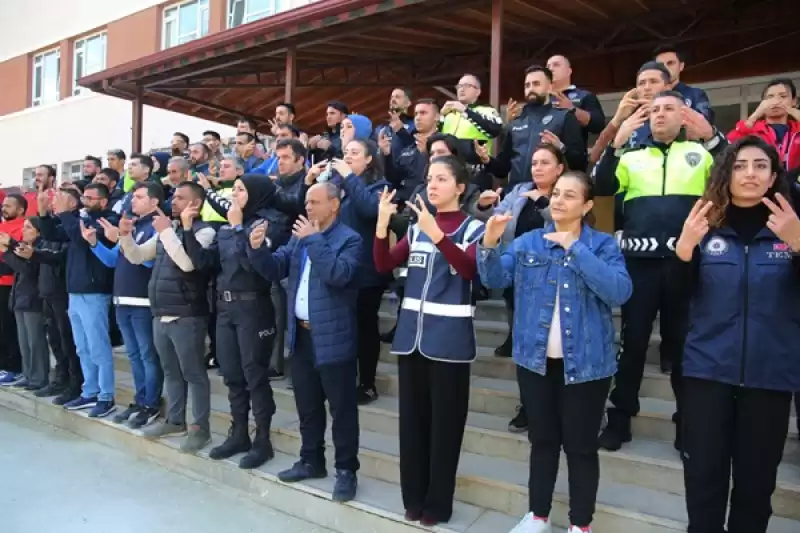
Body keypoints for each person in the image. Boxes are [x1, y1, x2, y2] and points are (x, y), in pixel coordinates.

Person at [479, 172, 632, 533]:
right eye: (557, 194)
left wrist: (574, 248)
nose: (559, 201)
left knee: (580, 446)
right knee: (542, 441)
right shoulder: (529, 242)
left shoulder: (602, 245)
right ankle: (538, 516)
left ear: (587, 205)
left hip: (588, 366)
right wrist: (489, 245)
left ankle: (581, 524)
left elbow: (619, 292)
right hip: (535, 362)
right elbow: (494, 280)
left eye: (570, 195)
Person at [675, 136, 800, 533]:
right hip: (706, 375)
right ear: (725, 174)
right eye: (740, 165)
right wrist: (684, 250)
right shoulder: (703, 226)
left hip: (769, 377)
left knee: (756, 486)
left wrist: (798, 241)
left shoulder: (791, 230)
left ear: (774, 176)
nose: (750, 173)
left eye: (760, 166)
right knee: (703, 479)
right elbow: (674, 303)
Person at [593, 90, 724, 452]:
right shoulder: (631, 157)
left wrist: (712, 137)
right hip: (639, 267)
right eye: (654, 110)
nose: (660, 115)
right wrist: (614, 147)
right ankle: (619, 420)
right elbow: (601, 189)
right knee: (632, 345)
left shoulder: (700, 153)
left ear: (685, 116)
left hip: (688, 265)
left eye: (670, 109)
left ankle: (687, 427)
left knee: (684, 348)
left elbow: (733, 176)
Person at [374, 156, 485, 527]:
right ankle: (414, 497)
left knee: (446, 428)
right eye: (429, 179)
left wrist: (438, 235)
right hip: (411, 341)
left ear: (460, 188)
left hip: (450, 343)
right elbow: (384, 264)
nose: (432, 185)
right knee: (413, 426)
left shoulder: (472, 228)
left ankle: (439, 503)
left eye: (441, 179)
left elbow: (471, 270)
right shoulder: (419, 228)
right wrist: (381, 225)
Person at [247, 182, 362, 503]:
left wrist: (313, 239)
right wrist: (257, 249)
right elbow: (274, 268)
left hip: (333, 338)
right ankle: (311, 460)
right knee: (308, 406)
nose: (308, 207)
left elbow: (338, 275)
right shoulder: (300, 239)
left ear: (334, 205)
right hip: (301, 336)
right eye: (306, 202)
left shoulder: (349, 239)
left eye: (315, 202)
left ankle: (346, 470)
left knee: (341, 411)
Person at [184, 175, 279, 470]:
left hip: (253, 307)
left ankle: (262, 438)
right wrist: (187, 230)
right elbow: (204, 262)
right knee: (232, 374)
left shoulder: (267, 223)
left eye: (240, 190)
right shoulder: (225, 227)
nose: (234, 195)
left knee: (254, 374)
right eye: (233, 189)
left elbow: (255, 264)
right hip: (225, 309)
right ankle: (239, 432)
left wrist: (239, 228)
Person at [478, 144, 567, 433]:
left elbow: (565, 225)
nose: (537, 168)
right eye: (534, 162)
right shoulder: (519, 190)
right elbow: (496, 216)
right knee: (524, 341)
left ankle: (559, 404)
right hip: (519, 263)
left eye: (545, 162)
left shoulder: (566, 192)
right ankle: (528, 405)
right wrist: (484, 206)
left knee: (554, 340)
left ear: (560, 168)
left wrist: (542, 203)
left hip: (555, 273)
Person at [122, 182, 215, 454]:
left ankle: (201, 429)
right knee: (171, 372)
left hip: (188, 316)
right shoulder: (169, 230)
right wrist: (125, 237)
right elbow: (138, 256)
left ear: (195, 204)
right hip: (161, 313)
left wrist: (166, 233)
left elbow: (188, 263)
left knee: (194, 374)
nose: (174, 201)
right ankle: (175, 421)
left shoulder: (206, 231)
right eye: (174, 196)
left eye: (181, 198)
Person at [82, 182, 165, 429]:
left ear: (154, 202)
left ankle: (151, 403)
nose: (133, 201)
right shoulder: (132, 226)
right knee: (134, 355)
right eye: (133, 196)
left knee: (148, 355)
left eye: (139, 197)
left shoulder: (158, 227)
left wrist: (123, 238)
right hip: (122, 300)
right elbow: (112, 261)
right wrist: (95, 243)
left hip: (142, 301)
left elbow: (148, 263)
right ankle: (140, 401)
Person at [54, 184, 120, 418]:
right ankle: (90, 390)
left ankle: (106, 396)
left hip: (95, 293)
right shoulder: (79, 218)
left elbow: (82, 239)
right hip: (75, 292)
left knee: (98, 347)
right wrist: (44, 213)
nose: (84, 200)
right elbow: (55, 234)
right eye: (84, 196)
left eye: (90, 197)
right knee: (82, 347)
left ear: (103, 201)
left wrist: (64, 213)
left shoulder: (108, 220)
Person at [0, 216, 51, 392]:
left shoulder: (39, 249)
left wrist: (7, 252)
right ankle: (28, 374)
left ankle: (39, 377)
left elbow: (27, 269)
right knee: (24, 342)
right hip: (20, 299)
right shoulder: (24, 248)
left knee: (35, 341)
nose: (24, 230)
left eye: (28, 227)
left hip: (33, 300)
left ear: (37, 231)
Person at [727, 78, 800, 175]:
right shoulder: (751, 129)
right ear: (762, 103)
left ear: (794, 101)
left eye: (783, 96)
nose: (776, 101)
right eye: (770, 97)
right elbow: (729, 145)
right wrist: (755, 115)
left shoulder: (797, 129)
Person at [0, 194, 27, 386]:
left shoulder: (23, 227)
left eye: (9, 206)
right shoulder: (1, 226)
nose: (4, 208)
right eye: (3, 205)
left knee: (10, 327)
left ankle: (14, 367)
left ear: (21, 210)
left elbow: (19, 254)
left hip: (10, 283)